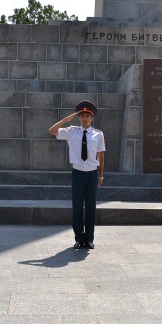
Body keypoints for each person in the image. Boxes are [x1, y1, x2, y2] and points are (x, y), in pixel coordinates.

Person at [48, 100, 105, 249]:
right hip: (78, 173)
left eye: (87, 115)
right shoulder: (71, 131)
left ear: (92, 118)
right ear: (79, 117)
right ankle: (79, 238)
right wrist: (66, 119)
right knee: (77, 206)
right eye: (82, 115)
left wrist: (101, 175)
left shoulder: (98, 134)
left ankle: (90, 238)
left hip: (92, 173)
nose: (84, 118)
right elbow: (52, 131)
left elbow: (101, 155)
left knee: (91, 207)